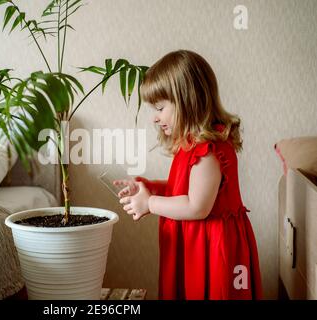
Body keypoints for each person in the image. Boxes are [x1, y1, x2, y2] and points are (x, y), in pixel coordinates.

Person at [113, 50, 263, 300]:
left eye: (160, 107)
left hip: (212, 249)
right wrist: (150, 187)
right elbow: (185, 189)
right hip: (195, 243)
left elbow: (196, 206)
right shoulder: (190, 144)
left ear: (187, 101)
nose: (155, 117)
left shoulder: (208, 150)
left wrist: (149, 203)